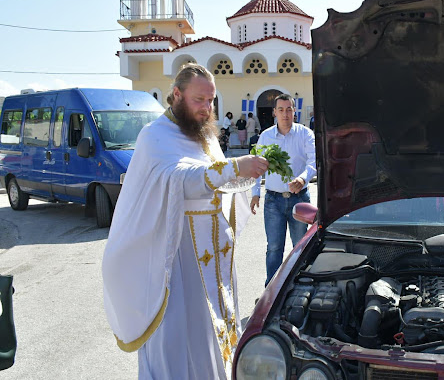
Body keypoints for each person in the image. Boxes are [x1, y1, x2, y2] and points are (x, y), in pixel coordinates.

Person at [102, 64, 269, 379]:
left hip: (212, 257)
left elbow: (217, 180)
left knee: (208, 331)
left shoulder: (204, 135)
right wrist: (234, 167)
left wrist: (249, 173)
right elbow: (181, 178)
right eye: (199, 100)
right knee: (177, 334)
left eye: (211, 100)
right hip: (174, 256)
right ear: (176, 95)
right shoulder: (154, 136)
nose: (207, 109)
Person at [250, 94, 316, 286]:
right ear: (274, 112)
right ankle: (271, 290)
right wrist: (255, 193)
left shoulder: (305, 134)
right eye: (281, 109)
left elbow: (314, 162)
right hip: (273, 201)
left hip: (299, 199)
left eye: (289, 109)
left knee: (301, 247)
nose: (285, 114)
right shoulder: (266, 136)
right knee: (274, 248)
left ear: (295, 111)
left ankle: (301, 287)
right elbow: (257, 166)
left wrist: (303, 178)